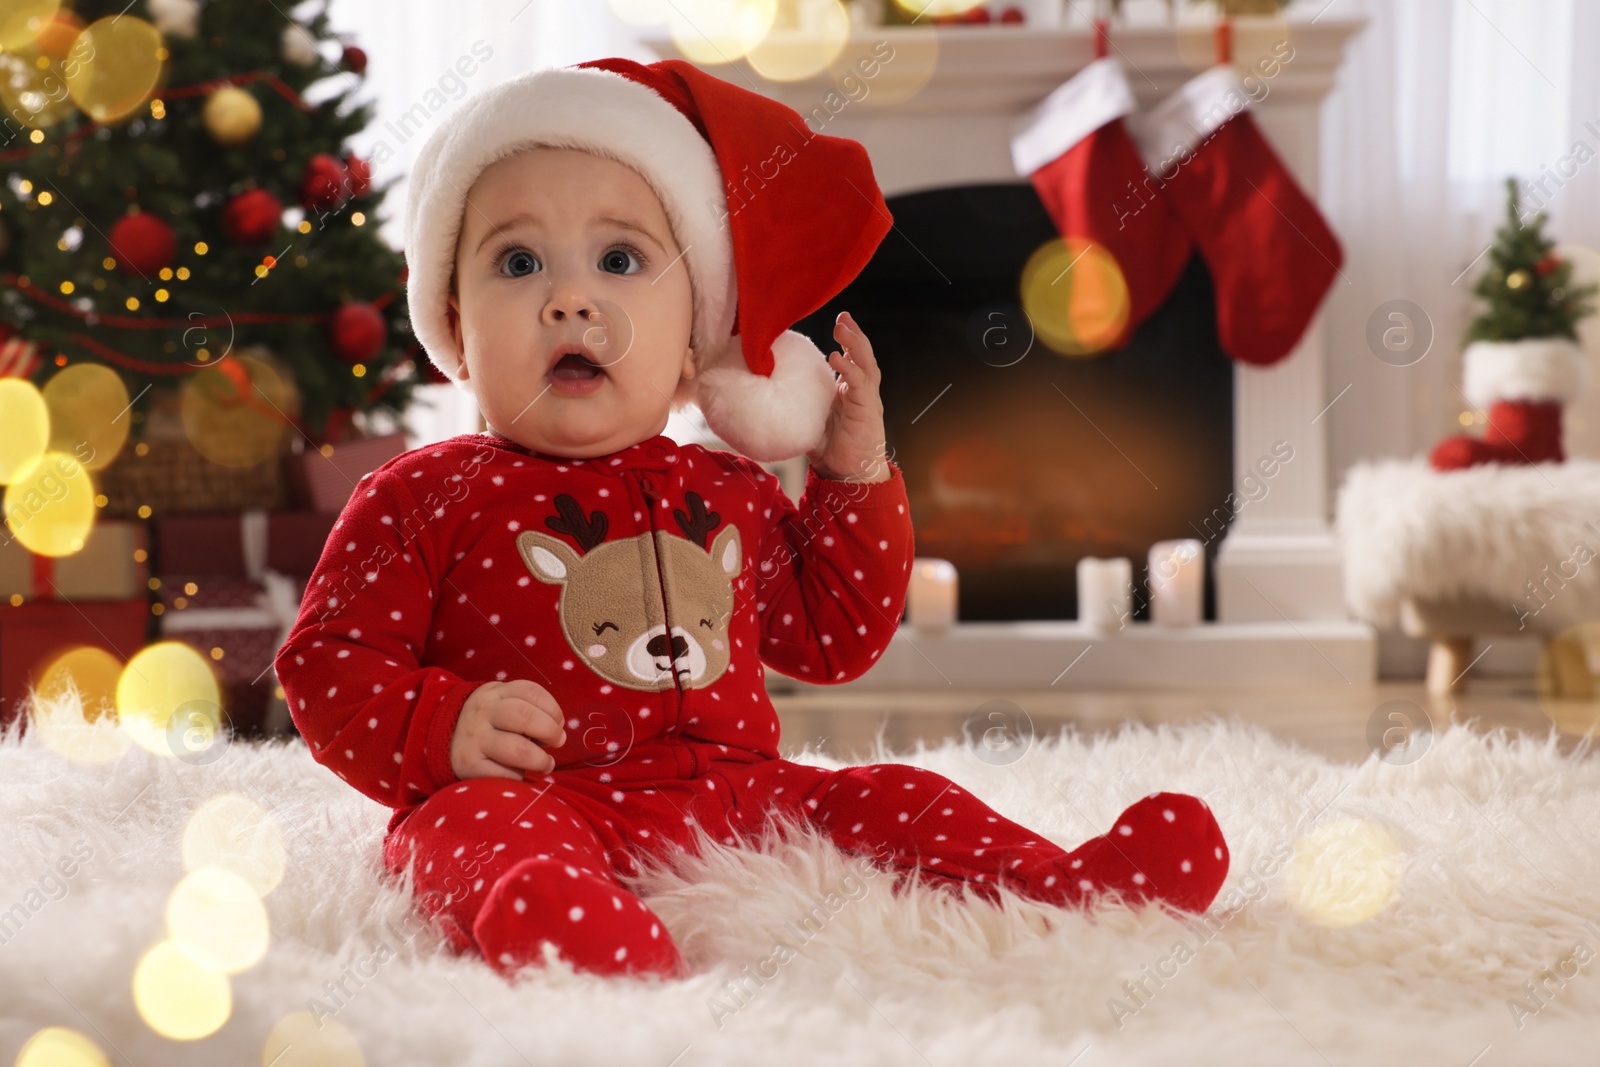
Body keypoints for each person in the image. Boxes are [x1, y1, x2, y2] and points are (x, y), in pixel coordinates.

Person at [273, 57, 1229, 982]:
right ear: (453, 322)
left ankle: (1068, 881)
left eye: (620, 259)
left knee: (887, 794)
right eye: (518, 262)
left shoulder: (727, 489)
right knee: (459, 828)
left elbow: (834, 637)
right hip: (540, 793)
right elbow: (326, 660)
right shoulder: (420, 495)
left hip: (738, 792)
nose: (571, 298)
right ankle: (557, 917)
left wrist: (853, 474)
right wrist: (443, 723)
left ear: (697, 336)